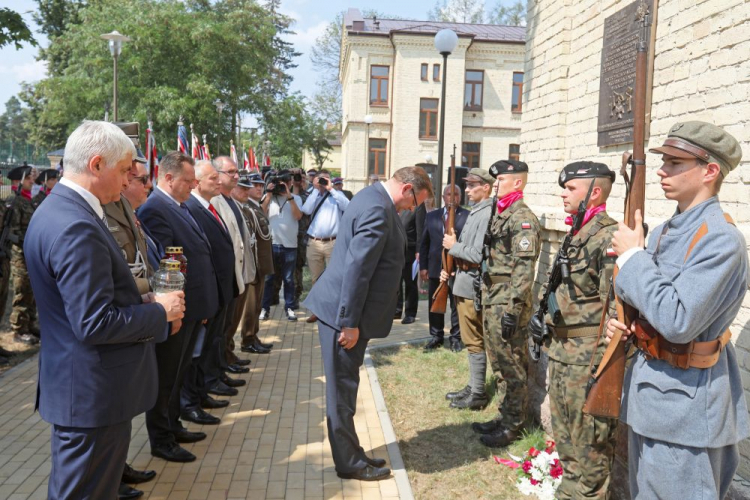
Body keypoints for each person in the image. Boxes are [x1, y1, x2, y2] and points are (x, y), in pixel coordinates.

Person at [24, 120, 184, 499]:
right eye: (125, 170)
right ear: (96, 165)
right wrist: (159, 311)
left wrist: (139, 301)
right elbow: (94, 323)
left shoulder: (60, 211)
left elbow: (86, 304)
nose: (131, 179)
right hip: (93, 392)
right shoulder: (76, 224)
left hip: (86, 389)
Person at [607, 121, 748, 499]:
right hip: (651, 398)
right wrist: (624, 323)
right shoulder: (667, 230)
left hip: (686, 413)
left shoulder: (720, 239)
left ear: (710, 170)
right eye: (663, 161)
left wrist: (634, 258)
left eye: (674, 162)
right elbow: (642, 300)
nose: (661, 171)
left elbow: (678, 320)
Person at [304, 167, 433, 481]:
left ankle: (353, 452)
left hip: (346, 312)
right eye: (416, 202)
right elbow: (357, 269)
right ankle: (348, 463)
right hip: (344, 317)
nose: (413, 209)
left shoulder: (373, 196)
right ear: (406, 188)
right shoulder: (378, 208)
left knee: (346, 390)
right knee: (341, 392)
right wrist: (349, 322)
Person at [138, 152, 220, 463]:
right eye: (188, 181)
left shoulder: (178, 206)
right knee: (166, 378)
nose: (193, 186)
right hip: (174, 310)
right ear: (169, 178)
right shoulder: (156, 209)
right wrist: (172, 312)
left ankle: (173, 425)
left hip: (189, 308)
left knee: (178, 373)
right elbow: (165, 265)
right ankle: (161, 439)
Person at [545, 161, 618, 499]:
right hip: (561, 352)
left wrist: (601, 369)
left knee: (590, 442)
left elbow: (615, 307)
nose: (564, 194)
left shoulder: (608, 237)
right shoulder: (577, 231)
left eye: (571, 188)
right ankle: (569, 491)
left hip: (587, 358)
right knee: (565, 437)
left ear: (595, 192)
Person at [103, 151, 160, 500]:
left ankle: (118, 468)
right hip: (120, 321)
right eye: (130, 173)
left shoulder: (126, 209)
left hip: (134, 316)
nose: (133, 181)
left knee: (121, 411)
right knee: (110, 413)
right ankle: (111, 475)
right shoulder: (100, 212)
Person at [472, 160, 541, 448]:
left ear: (518, 183)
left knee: (512, 364)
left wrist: (513, 310)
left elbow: (523, 271)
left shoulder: (522, 218)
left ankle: (514, 425)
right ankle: (504, 416)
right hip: (493, 297)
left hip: (507, 303)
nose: (495, 184)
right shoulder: (501, 214)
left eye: (500, 179)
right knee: (499, 363)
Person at [181, 160, 244, 427]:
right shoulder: (193, 207)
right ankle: (193, 398)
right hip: (206, 291)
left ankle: (204, 389)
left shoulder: (208, 205)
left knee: (211, 342)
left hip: (219, 288)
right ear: (196, 182)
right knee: (196, 352)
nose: (218, 182)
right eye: (212, 178)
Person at [442, 168, 495, 410]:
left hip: (471, 284)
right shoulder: (477, 212)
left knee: (474, 341)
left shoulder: (485, 214)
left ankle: (478, 393)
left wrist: (453, 246)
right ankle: (473, 386)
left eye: (473, 185)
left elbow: (476, 254)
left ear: (486, 187)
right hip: (462, 282)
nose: (467, 190)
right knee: (469, 339)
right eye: (467, 185)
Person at [210, 157, 254, 370]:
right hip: (225, 276)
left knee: (230, 322)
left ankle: (227, 355)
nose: (237, 176)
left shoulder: (232, 201)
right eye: (231, 172)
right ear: (217, 174)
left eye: (237, 172)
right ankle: (222, 362)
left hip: (238, 273)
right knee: (222, 326)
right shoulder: (214, 201)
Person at [421, 185, 469, 351]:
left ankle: (455, 337)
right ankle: (436, 335)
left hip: (458, 268)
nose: (452, 197)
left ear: (460, 197)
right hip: (435, 267)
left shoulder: (468, 216)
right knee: (435, 302)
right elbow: (425, 243)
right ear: (443, 197)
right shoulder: (432, 216)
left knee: (456, 305)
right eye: (449, 194)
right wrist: (423, 267)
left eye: (456, 194)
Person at [301, 169, 350, 323]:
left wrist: (331, 189)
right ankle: (317, 311)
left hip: (333, 242)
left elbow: (347, 206)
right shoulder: (313, 195)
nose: (323, 182)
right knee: (316, 279)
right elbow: (306, 210)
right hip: (314, 242)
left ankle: (334, 312)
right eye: (321, 179)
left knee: (334, 278)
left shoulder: (337, 195)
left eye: (326, 179)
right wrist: (316, 190)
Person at [235, 173, 275, 354]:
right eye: (254, 185)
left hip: (260, 264)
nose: (259, 188)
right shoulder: (246, 208)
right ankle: (248, 339)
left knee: (257, 304)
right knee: (251, 306)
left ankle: (253, 335)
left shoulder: (254, 207)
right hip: (254, 265)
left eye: (261, 185)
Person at [260, 170, 302, 321]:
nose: (284, 186)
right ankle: (264, 308)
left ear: (290, 184)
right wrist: (269, 193)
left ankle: (289, 308)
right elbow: (261, 213)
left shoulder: (296, 198)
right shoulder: (268, 198)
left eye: (287, 183)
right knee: (268, 279)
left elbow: (298, 216)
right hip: (272, 243)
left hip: (290, 245)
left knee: (289, 279)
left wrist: (289, 197)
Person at [6, 165, 39, 346]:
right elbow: (13, 231)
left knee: (30, 292)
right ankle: (19, 329)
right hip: (20, 255)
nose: (32, 181)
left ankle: (29, 324)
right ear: (18, 181)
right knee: (21, 291)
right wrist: (28, 240)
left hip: (30, 254)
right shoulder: (15, 201)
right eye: (28, 179)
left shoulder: (27, 201)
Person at [394, 202, 424, 324]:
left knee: (410, 283)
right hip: (394, 250)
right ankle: (396, 310)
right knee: (396, 282)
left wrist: (419, 250)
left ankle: (410, 313)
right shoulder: (395, 203)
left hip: (410, 251)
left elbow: (420, 230)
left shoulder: (418, 206)